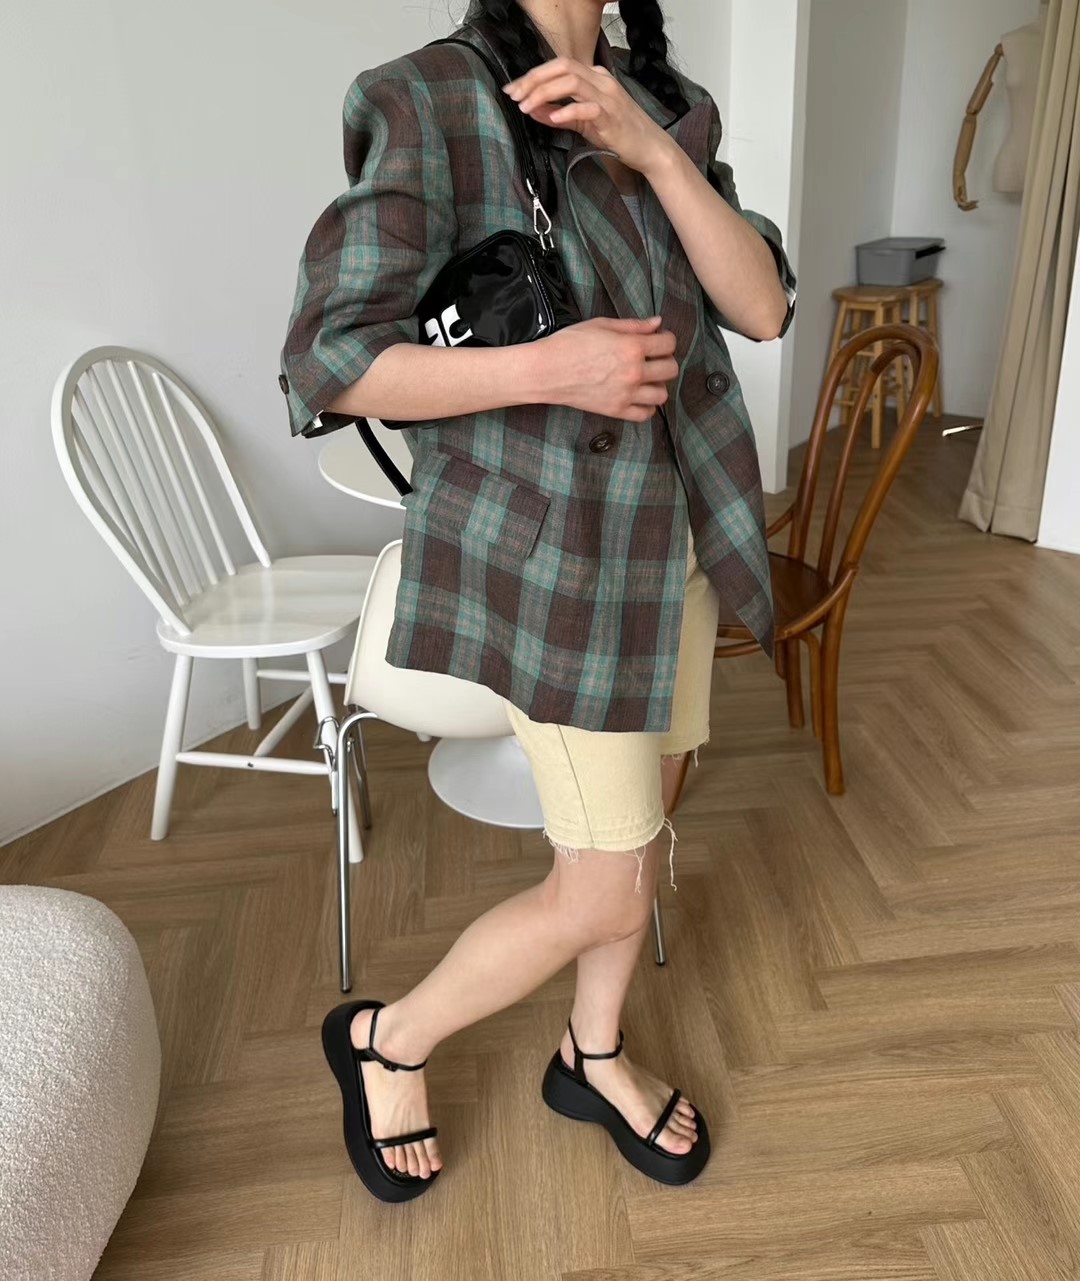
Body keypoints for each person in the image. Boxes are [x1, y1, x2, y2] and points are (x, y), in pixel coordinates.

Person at [281, 0, 796, 1204]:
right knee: (607, 881)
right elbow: (328, 362)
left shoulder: (666, 102)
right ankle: (387, 1041)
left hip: (679, 542)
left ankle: (592, 1054)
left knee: (644, 829)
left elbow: (765, 307)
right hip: (562, 566)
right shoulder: (429, 98)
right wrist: (551, 367)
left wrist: (653, 148)